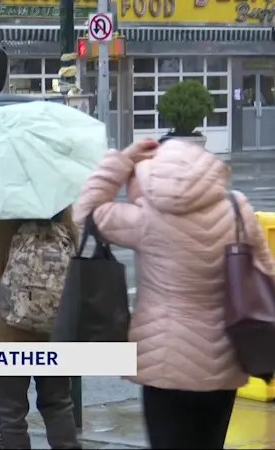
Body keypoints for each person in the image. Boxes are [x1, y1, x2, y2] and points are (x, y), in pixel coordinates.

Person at [73, 138, 266, 449]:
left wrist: (123, 160)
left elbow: (86, 212)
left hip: (163, 361)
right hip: (224, 358)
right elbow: (265, 273)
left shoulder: (147, 220)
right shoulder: (237, 209)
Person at [0, 211, 81, 449]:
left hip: (6, 328)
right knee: (58, 404)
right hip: (54, 327)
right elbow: (76, 245)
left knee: (10, 414)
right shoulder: (59, 205)